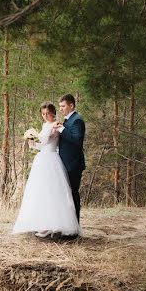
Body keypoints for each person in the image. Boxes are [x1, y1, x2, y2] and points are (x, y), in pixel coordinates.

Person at [12, 102, 81, 238]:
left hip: (51, 161)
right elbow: (43, 145)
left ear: (53, 113)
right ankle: (45, 223)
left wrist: (33, 134)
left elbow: (45, 140)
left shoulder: (55, 125)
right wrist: (32, 144)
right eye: (43, 114)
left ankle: (54, 225)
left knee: (52, 192)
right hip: (43, 158)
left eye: (48, 113)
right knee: (42, 192)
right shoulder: (46, 125)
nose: (45, 116)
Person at [54, 94, 86, 228]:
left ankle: (75, 228)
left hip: (73, 165)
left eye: (63, 106)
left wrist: (61, 129)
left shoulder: (77, 120)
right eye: (60, 106)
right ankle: (68, 226)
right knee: (66, 197)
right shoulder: (68, 120)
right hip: (65, 164)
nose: (60, 109)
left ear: (71, 106)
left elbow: (77, 140)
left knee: (73, 195)